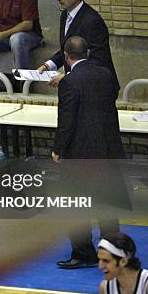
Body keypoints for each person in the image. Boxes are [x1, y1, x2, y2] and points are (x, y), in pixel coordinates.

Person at [53, 36, 125, 269]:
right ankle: (114, 252)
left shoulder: (69, 82)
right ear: (89, 52)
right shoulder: (105, 75)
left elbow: (67, 120)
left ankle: (83, 253)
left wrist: (58, 149)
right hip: (108, 149)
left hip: (81, 154)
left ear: (66, 56)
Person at [38, 0, 119, 91]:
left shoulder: (92, 21)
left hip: (96, 90)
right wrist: (48, 65)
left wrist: (68, 77)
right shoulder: (65, 15)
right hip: (76, 87)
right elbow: (67, 49)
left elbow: (98, 60)